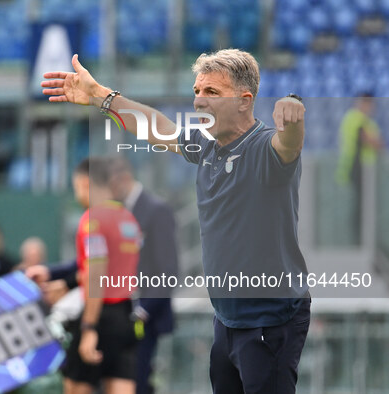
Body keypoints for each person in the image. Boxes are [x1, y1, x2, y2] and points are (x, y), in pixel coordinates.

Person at [42, 49, 310, 393]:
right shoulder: (208, 147)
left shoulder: (264, 149)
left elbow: (288, 145)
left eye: (212, 92)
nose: (199, 101)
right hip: (227, 319)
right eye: (197, 91)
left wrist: (294, 110)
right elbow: (156, 127)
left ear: (245, 101)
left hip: (269, 320)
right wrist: (100, 96)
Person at [61, 158, 140, 394]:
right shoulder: (129, 220)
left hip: (99, 316)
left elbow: (97, 274)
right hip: (125, 317)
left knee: (75, 388)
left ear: (85, 183)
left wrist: (88, 327)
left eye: (76, 188)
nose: (77, 195)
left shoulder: (92, 219)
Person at [108, 157, 179, 394]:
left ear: (124, 179)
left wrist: (143, 311)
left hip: (143, 318)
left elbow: (168, 269)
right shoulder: (119, 211)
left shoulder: (155, 210)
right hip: (121, 313)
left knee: (137, 381)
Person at [335, 94, 384, 242]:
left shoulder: (363, 121)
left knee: (360, 210)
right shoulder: (356, 118)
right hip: (356, 171)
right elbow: (371, 141)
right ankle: (358, 242)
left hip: (362, 172)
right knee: (358, 211)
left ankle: (359, 241)